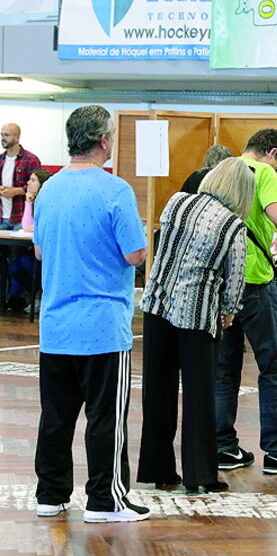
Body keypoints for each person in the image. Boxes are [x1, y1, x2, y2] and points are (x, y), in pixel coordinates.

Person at [33, 105, 149, 522]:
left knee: (57, 418)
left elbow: (41, 251)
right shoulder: (115, 190)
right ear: (104, 141)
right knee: (106, 419)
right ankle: (105, 499)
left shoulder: (47, 190)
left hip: (56, 327)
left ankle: (51, 493)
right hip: (102, 328)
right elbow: (134, 254)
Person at [137, 158, 254, 495]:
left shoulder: (177, 201)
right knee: (199, 397)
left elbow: (162, 248)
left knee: (157, 393)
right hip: (196, 315)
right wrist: (229, 312)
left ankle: (159, 469)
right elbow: (234, 278)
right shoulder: (233, 226)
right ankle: (199, 475)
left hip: (157, 305)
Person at [214, 128, 277, 475]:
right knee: (272, 367)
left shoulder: (223, 170)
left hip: (222, 282)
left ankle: (223, 446)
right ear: (272, 153)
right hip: (254, 280)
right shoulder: (263, 172)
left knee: (225, 369)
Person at [6, 168, 51, 312]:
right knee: (14, 265)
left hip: (48, 250)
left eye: (33, 180)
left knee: (26, 261)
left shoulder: (49, 201)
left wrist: (36, 227)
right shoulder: (33, 199)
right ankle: (35, 296)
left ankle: (41, 296)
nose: (28, 183)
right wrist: (28, 203)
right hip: (34, 246)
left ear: (42, 184)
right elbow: (26, 225)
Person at [0, 122, 42, 230]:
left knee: (18, 247)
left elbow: (38, 187)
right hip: (1, 217)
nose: (3, 138)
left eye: (7, 135)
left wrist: (16, 191)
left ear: (17, 137)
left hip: (21, 217)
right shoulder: (0, 159)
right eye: (1, 135)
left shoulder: (31, 159)